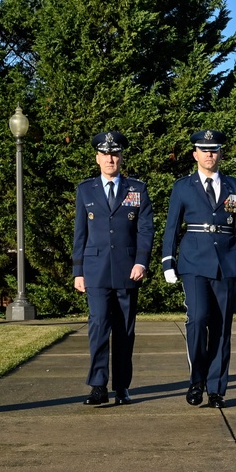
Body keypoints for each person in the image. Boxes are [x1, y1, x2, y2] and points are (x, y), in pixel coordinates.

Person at [161, 129, 236, 409]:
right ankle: (196, 380)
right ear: (195, 154)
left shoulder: (234, 186)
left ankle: (216, 389)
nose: (209, 154)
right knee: (198, 320)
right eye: (204, 150)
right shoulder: (183, 186)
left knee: (222, 328)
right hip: (194, 261)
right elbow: (172, 226)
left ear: (220, 154)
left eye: (214, 150)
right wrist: (168, 260)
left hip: (226, 262)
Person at [72, 131, 154, 406]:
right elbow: (80, 233)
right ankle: (98, 386)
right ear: (97, 158)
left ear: (121, 157)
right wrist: (78, 270)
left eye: (115, 154)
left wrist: (141, 260)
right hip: (95, 269)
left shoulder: (137, 189)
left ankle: (122, 387)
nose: (110, 158)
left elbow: (145, 228)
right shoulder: (85, 189)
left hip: (126, 269)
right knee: (98, 327)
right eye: (105, 154)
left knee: (124, 331)